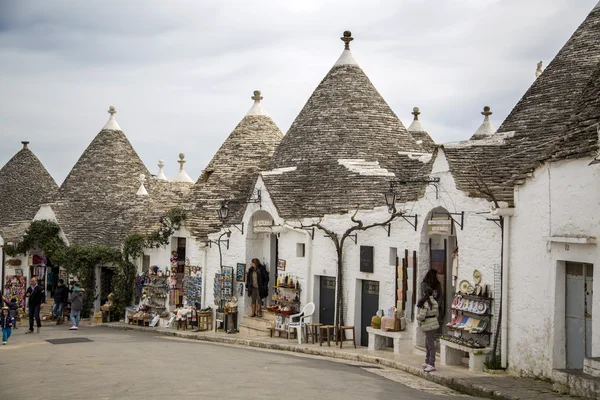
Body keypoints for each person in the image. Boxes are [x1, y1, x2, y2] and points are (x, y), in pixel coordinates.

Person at [417, 288, 440, 372]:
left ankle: (431, 364)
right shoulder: (435, 302)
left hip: (427, 325)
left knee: (430, 345)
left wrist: (417, 317)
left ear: (425, 293)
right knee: (428, 343)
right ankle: (427, 361)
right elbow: (437, 314)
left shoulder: (426, 303)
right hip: (433, 324)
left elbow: (422, 316)